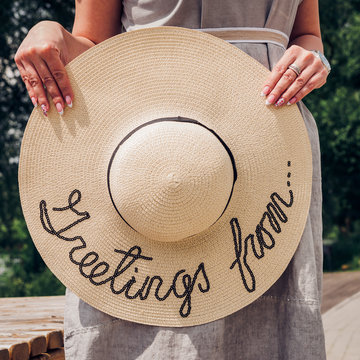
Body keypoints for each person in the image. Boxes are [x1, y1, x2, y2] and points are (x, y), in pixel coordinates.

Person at [15, 0, 329, 359]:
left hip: (267, 139)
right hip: (145, 135)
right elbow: (91, 43)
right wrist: (49, 31)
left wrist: (314, 58)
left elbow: (308, 34)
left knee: (266, 320)